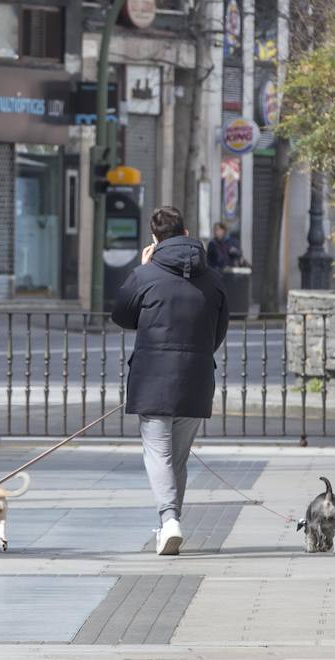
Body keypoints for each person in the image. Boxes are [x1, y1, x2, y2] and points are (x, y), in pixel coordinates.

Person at [111, 206, 229, 556]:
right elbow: (218, 331)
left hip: (152, 380)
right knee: (176, 459)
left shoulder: (146, 275)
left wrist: (143, 267)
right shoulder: (213, 279)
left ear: (154, 238)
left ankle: (169, 520)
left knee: (158, 454)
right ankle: (169, 523)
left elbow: (121, 315)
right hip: (196, 379)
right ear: (187, 232)